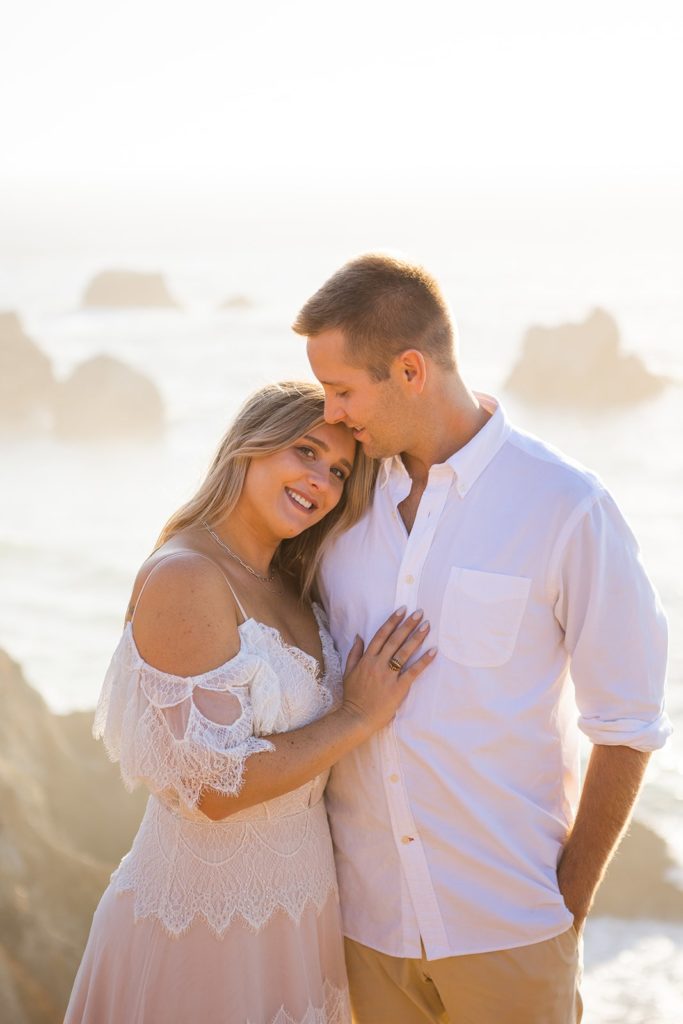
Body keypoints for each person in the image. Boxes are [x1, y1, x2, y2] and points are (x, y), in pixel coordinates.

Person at [293, 255, 671, 1024]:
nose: (331, 415)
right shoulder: (342, 507)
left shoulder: (564, 506)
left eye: (341, 391)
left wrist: (566, 906)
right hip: (365, 933)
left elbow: (627, 724)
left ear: (408, 370)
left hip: (508, 933)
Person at [64, 380, 436, 1024]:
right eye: (306, 451)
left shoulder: (293, 584)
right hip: (201, 927)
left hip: (302, 918)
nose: (321, 479)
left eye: (340, 471)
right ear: (249, 448)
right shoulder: (187, 575)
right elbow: (213, 787)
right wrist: (357, 715)